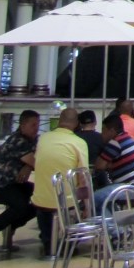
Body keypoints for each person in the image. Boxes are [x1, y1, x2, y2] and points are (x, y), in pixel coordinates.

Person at [0, 109, 39, 254]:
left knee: (41, 198)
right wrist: (30, 165)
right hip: (1, 185)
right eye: (33, 125)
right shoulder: (17, 141)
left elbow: (35, 157)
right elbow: (37, 163)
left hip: (16, 184)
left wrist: (27, 166)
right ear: (23, 125)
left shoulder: (31, 140)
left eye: (37, 125)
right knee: (20, 206)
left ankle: (11, 225)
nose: (36, 129)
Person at [30, 108, 88, 256]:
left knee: (46, 204)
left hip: (41, 200)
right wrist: (87, 206)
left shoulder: (43, 138)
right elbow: (83, 176)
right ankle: (69, 244)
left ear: (59, 121)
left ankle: (48, 243)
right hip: (66, 203)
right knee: (82, 206)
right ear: (76, 123)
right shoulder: (79, 142)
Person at [93, 112, 134, 212]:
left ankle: (109, 222)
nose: (101, 134)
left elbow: (99, 166)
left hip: (130, 188)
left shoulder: (115, 142)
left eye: (103, 130)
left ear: (112, 131)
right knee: (105, 196)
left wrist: (108, 164)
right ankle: (113, 218)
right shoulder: (128, 139)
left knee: (95, 198)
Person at [76, 110, 110, 189]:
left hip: (78, 176)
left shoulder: (74, 137)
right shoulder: (101, 137)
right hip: (98, 178)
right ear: (95, 122)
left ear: (80, 123)